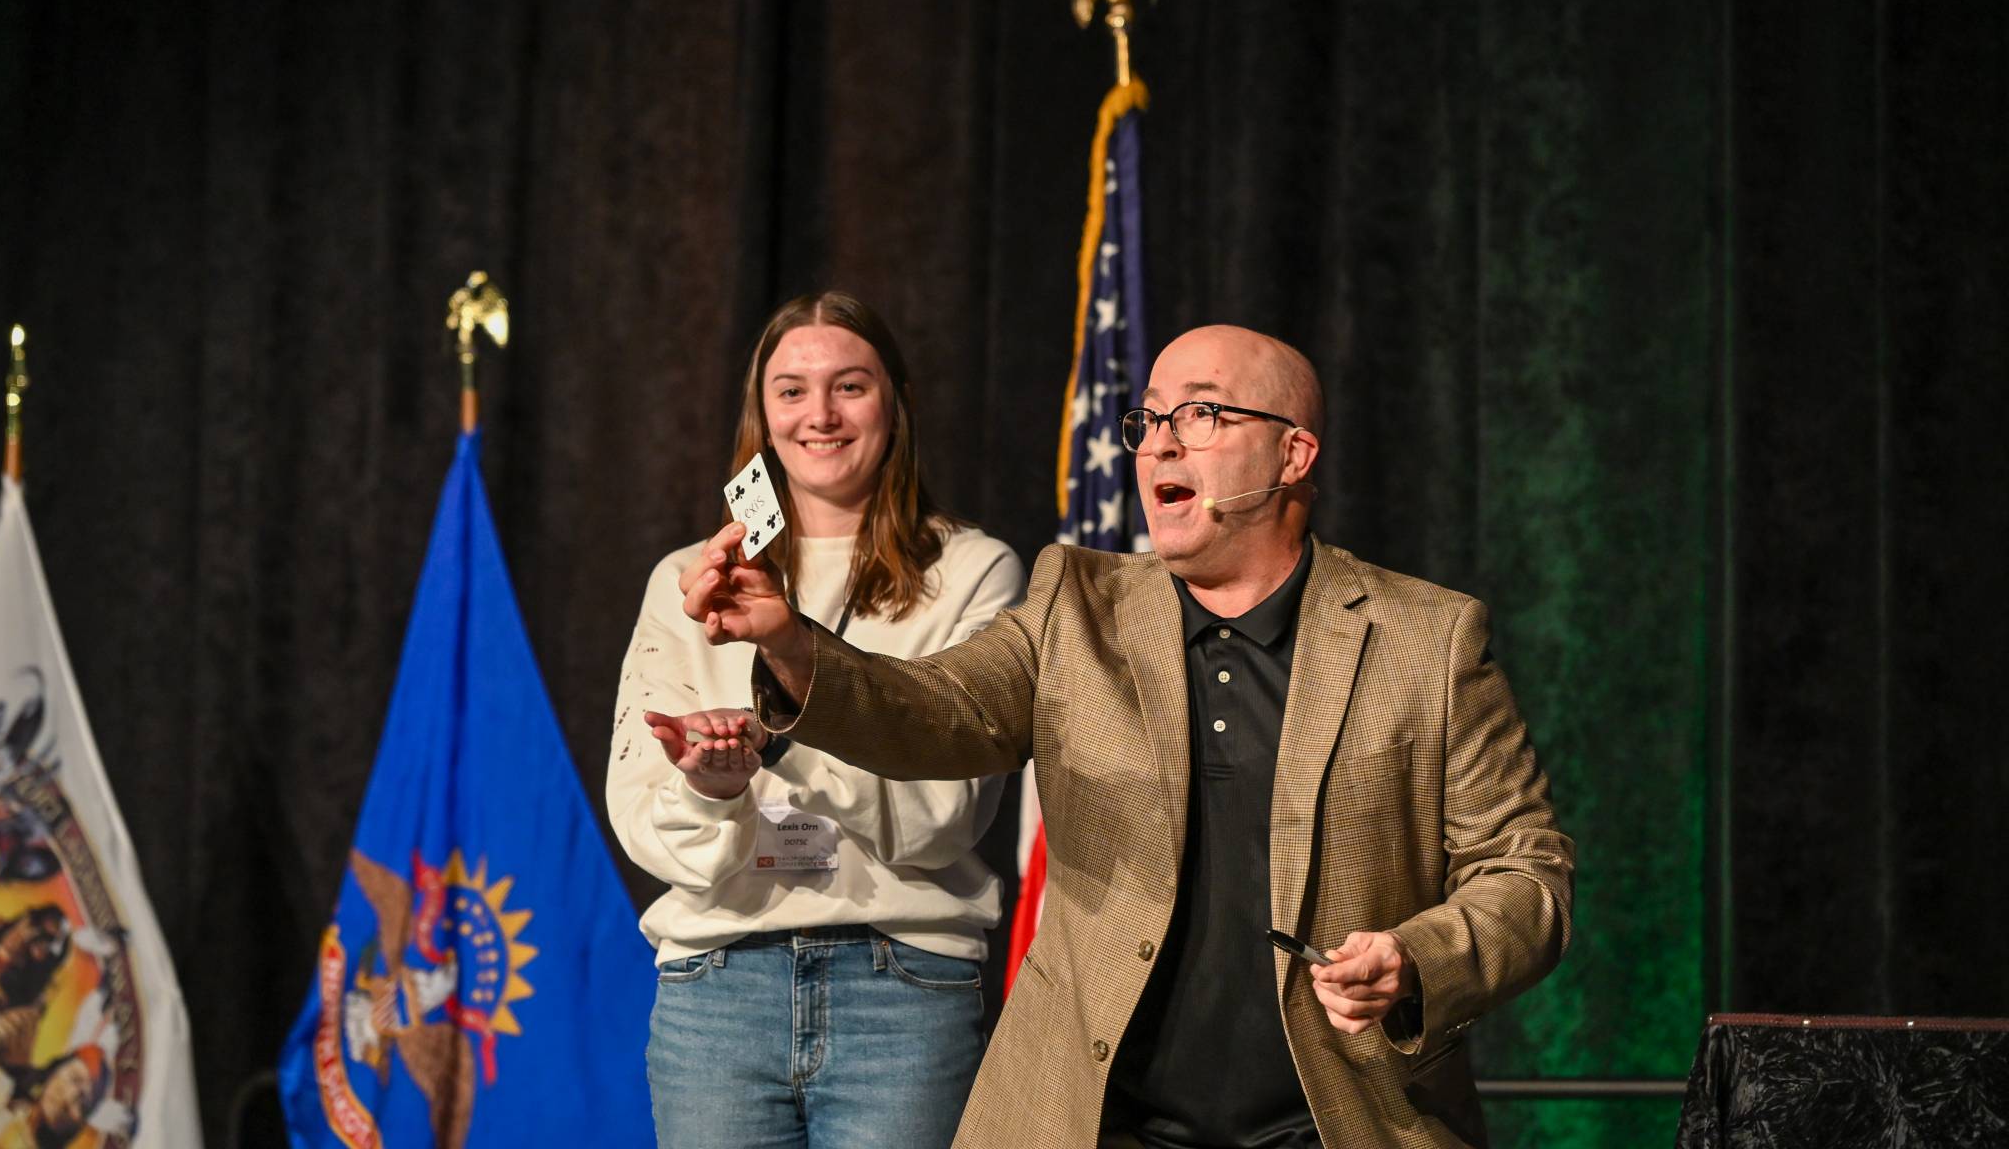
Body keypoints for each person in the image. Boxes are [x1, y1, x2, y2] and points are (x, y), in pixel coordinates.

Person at [680, 325, 1575, 1149]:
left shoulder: (1426, 638)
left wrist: (1417, 958)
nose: (1160, 444)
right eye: (1148, 420)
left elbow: (1526, 872)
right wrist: (790, 643)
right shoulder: (1076, 607)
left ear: (1294, 454)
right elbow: (935, 711)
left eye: (1202, 413)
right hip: (1103, 1123)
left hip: (1337, 1121)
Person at [607, 290, 1025, 1149]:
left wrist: (783, 705)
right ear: (761, 415)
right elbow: (645, 821)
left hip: (902, 988)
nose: (821, 415)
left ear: (894, 403)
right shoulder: (685, 580)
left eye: (851, 386)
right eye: (792, 390)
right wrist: (714, 790)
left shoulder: (975, 572)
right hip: (717, 989)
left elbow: (941, 818)